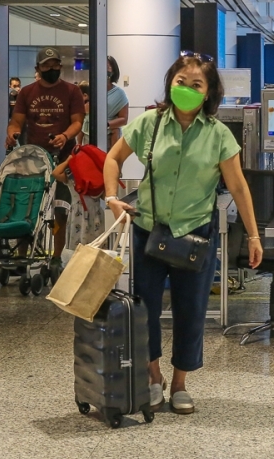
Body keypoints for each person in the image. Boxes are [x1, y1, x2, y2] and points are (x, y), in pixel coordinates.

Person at [103, 54, 263, 415]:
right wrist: (112, 198)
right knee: (145, 310)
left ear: (208, 93)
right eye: (181, 82)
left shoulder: (218, 134)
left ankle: (180, 384)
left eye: (196, 84)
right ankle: (153, 378)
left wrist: (253, 236)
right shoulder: (150, 123)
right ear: (170, 84)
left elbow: (238, 187)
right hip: (149, 230)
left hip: (195, 236)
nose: (187, 89)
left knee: (190, 311)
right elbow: (113, 158)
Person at [7, 48, 85, 269]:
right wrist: (12, 133)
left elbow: (77, 122)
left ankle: (57, 256)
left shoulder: (72, 91)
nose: (51, 69)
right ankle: (22, 255)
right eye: (46, 65)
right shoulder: (27, 92)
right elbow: (16, 122)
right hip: (33, 158)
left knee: (60, 209)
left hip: (62, 159)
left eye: (55, 65)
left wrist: (65, 136)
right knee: (27, 206)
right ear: (38, 68)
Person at [80, 56, 129, 147]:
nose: (103, 70)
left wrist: (105, 124)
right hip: (88, 136)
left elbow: (124, 119)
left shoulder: (119, 94)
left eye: (107, 67)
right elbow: (81, 115)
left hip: (108, 138)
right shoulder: (90, 90)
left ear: (113, 71)